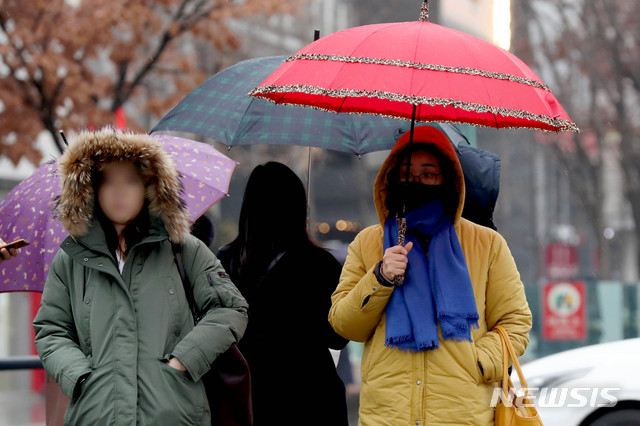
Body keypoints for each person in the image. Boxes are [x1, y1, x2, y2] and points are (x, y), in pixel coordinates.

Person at [33, 129, 248, 425]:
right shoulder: (71, 259)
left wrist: (183, 361)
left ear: (150, 186)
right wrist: (80, 376)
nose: (119, 192)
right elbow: (51, 329)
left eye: (131, 181)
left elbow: (230, 309)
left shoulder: (182, 249)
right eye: (108, 181)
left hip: (172, 412)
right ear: (91, 189)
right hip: (97, 414)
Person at [329, 126, 532, 426]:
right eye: (408, 174)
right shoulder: (367, 243)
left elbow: (516, 323)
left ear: (447, 179)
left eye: (428, 174)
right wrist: (381, 277)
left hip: (461, 416)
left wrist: (476, 362)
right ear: (392, 177)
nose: (417, 182)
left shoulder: (486, 244)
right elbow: (344, 325)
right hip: (387, 416)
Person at [217, 162, 349, 426]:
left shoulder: (225, 261)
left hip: (249, 397)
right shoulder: (319, 264)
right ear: (299, 206)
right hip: (312, 400)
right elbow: (337, 337)